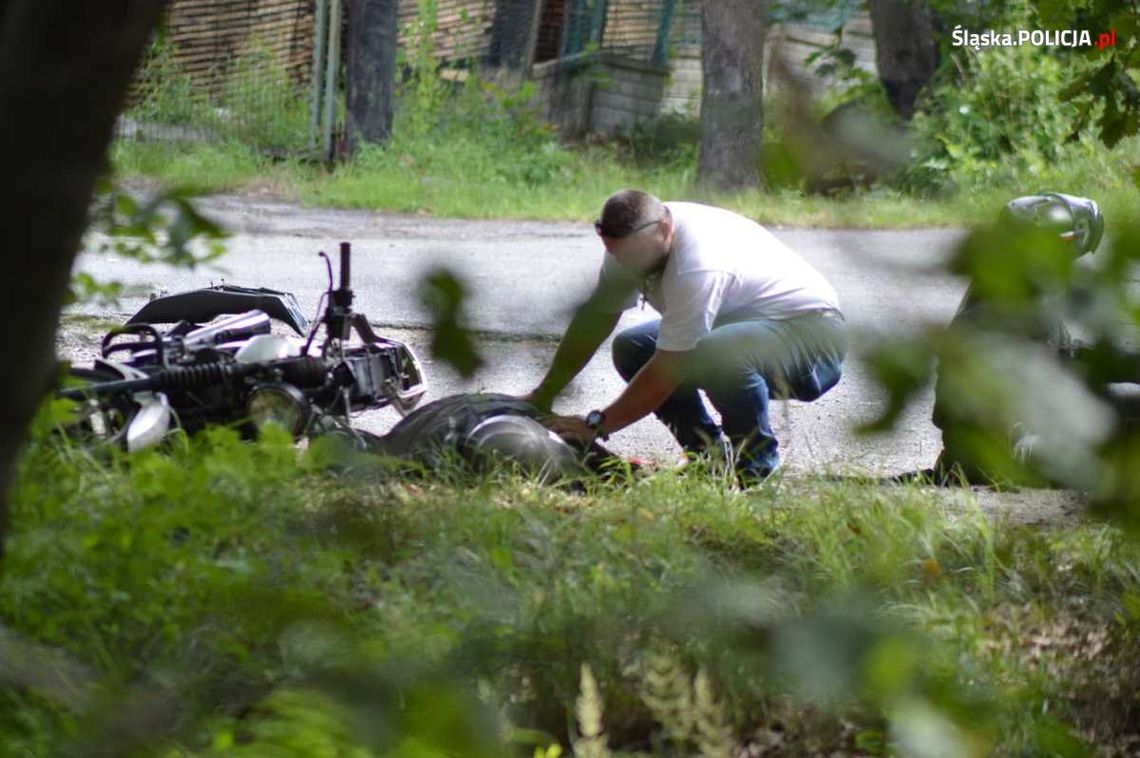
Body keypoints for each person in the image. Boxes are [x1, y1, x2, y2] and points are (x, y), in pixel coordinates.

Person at [524, 189, 848, 483]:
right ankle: (708, 457)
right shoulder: (627, 244)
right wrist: (545, 392)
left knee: (715, 353)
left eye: (634, 257)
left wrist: (596, 425)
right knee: (632, 347)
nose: (626, 265)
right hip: (741, 326)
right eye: (618, 256)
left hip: (811, 340)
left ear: (665, 229)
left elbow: (668, 368)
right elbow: (596, 319)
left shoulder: (696, 264)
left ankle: (758, 474)